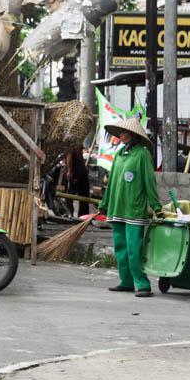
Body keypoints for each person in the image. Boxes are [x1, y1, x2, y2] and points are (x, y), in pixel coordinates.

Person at [97, 117, 163, 298]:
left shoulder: (142, 155)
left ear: (134, 135)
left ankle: (142, 284)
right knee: (121, 248)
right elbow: (111, 183)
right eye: (121, 132)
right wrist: (104, 204)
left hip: (134, 211)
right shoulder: (119, 154)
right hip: (117, 209)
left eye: (125, 132)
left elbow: (149, 182)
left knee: (134, 250)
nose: (121, 135)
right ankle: (126, 282)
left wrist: (157, 207)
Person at [64, 146, 91, 217]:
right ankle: (69, 214)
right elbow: (69, 155)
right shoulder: (72, 145)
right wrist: (70, 171)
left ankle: (83, 216)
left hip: (81, 173)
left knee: (84, 196)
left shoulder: (78, 146)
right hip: (75, 174)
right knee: (70, 196)